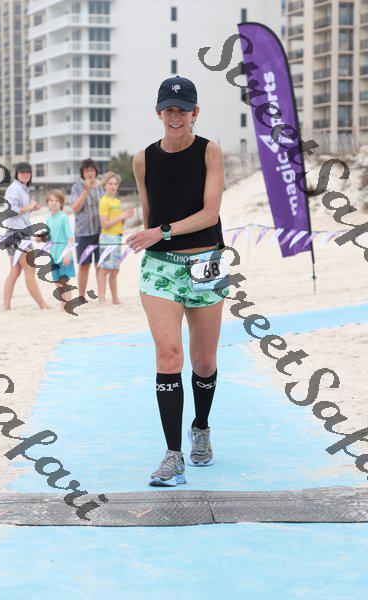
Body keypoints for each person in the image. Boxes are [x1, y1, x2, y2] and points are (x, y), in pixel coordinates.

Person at [128, 75, 229, 487]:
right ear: (158, 112)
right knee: (168, 356)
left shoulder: (210, 151)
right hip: (160, 267)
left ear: (195, 113)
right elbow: (149, 212)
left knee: (203, 362)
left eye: (183, 110)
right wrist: (153, 235)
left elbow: (209, 214)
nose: (176, 116)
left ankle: (200, 428)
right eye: (169, 110)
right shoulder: (142, 159)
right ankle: (173, 456)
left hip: (206, 262)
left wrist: (162, 231)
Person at [2, 162, 49, 311]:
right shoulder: (14, 188)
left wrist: (32, 209)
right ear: (17, 174)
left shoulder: (21, 189)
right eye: (22, 172)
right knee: (30, 271)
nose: (25, 174)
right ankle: (42, 304)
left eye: (28, 172)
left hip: (16, 232)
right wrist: (30, 206)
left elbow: (19, 214)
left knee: (15, 271)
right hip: (17, 234)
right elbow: (11, 211)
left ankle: (6, 306)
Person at [69, 158, 104, 299]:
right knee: (84, 265)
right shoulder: (77, 187)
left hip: (101, 232)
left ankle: (102, 296)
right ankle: (81, 296)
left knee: (100, 265)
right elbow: (75, 208)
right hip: (83, 232)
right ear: (82, 173)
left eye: (92, 170)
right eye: (86, 170)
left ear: (96, 171)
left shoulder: (101, 187)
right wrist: (86, 190)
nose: (89, 173)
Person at [98, 171, 134, 304]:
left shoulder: (117, 202)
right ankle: (102, 299)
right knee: (105, 269)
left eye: (115, 184)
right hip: (107, 238)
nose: (113, 186)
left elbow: (119, 223)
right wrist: (121, 216)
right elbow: (104, 224)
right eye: (110, 183)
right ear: (105, 185)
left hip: (118, 238)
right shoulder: (104, 201)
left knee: (115, 270)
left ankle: (115, 298)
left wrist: (126, 216)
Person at [37, 189, 75, 311]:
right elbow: (47, 237)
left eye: (57, 201)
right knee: (57, 282)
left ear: (61, 203)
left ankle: (68, 305)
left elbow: (70, 238)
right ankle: (62, 305)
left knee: (64, 282)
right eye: (51, 200)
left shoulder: (64, 217)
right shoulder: (49, 219)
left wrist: (68, 254)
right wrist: (39, 238)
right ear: (48, 202)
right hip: (53, 256)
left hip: (64, 255)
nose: (54, 203)